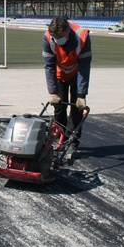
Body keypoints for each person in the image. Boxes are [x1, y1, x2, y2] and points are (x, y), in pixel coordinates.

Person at [42, 16, 92, 162]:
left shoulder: (82, 36)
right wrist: (52, 92)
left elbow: (84, 66)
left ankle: (73, 143)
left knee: (77, 109)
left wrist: (81, 94)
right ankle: (60, 138)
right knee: (59, 107)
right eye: (55, 38)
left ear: (68, 32)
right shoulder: (47, 37)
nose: (58, 41)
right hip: (59, 74)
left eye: (60, 38)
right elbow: (49, 66)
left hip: (77, 74)